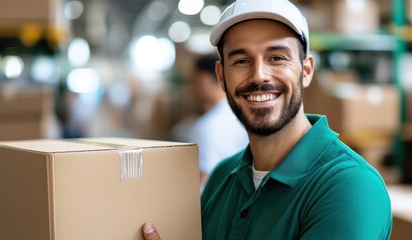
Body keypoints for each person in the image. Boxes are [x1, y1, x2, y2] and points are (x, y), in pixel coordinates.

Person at [143, 0, 392, 239]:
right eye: (241, 61)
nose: (259, 75)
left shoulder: (349, 186)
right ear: (221, 77)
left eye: (277, 58)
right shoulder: (222, 176)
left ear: (305, 70)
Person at [173, 54, 249, 189]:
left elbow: (204, 181)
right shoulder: (246, 114)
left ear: (204, 79)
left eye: (194, 80)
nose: (193, 87)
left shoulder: (207, 126)